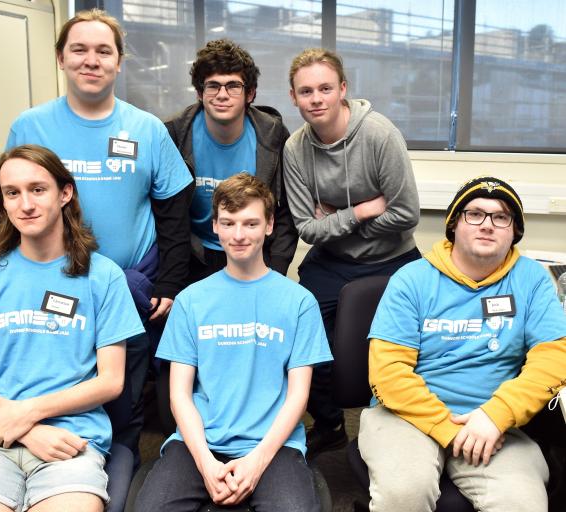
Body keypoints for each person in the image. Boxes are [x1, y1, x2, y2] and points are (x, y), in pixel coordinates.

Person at [6, 9, 194, 459]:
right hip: (58, 280)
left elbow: (174, 211)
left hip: (130, 284)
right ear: (60, 59)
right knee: (65, 380)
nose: (92, 60)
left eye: (103, 51)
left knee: (124, 392)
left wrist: (170, 283)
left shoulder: (146, 128)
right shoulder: (31, 126)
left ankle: (117, 465)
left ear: (119, 62)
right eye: (80, 50)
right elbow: (14, 202)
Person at [0, 145, 145, 512]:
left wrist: (28, 411)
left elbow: (111, 381)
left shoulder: (105, 277)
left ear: (65, 194)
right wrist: (28, 429)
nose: (26, 204)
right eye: (12, 193)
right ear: (2, 204)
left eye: (38, 189)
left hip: (70, 439)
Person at [359, 176, 566, 511]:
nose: (487, 225)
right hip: (405, 416)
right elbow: (388, 373)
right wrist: (449, 431)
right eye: (475, 214)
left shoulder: (532, 280)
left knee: (522, 502)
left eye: (501, 217)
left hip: (493, 422)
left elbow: (554, 358)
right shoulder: (412, 280)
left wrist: (496, 415)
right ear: (454, 224)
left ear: (514, 232)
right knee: (405, 493)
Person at [135, 173, 332, 511]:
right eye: (228, 223)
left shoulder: (299, 302)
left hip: (273, 443)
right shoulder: (190, 300)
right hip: (199, 441)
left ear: (269, 225)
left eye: (250, 223)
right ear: (215, 226)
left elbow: (299, 396)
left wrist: (256, 463)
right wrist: (206, 464)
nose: (239, 235)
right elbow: (179, 394)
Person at [283, 47, 421, 457]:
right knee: (302, 336)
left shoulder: (380, 135)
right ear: (293, 97)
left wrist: (336, 222)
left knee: (402, 345)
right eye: (306, 91)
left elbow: (406, 214)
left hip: (392, 259)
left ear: (343, 89)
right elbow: (307, 228)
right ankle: (328, 426)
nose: (316, 99)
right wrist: (360, 210)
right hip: (330, 262)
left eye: (325, 88)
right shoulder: (295, 149)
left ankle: (399, 427)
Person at [165, 38, 298, 283]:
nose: (222, 95)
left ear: (250, 93)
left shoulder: (274, 136)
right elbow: (166, 214)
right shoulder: (174, 135)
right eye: (213, 86)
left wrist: (276, 269)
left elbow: (286, 212)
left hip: (257, 258)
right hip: (194, 259)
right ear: (199, 93)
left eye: (233, 86)